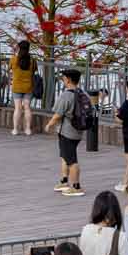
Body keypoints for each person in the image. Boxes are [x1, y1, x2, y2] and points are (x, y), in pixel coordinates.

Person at [53, 67, 89, 196]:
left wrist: (49, 125)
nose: (62, 80)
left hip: (66, 132)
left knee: (72, 160)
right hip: (77, 131)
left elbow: (57, 114)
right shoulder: (82, 93)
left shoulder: (66, 95)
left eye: (63, 78)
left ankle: (76, 187)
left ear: (67, 80)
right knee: (65, 156)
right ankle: (64, 181)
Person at [9, 37, 35, 135]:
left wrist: (15, 53)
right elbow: (33, 71)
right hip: (28, 87)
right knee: (27, 107)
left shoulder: (14, 59)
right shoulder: (32, 61)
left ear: (19, 48)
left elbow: (10, 68)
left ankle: (15, 129)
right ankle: (28, 129)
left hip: (17, 87)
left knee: (18, 108)